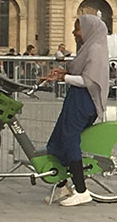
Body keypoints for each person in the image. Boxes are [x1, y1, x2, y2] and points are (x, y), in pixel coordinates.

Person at [40, 14, 109, 207]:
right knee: (58, 139)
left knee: (70, 139)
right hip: (76, 99)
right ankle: (62, 185)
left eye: (77, 29)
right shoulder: (88, 48)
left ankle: (81, 190)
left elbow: (88, 81)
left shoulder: (95, 50)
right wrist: (63, 73)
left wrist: (64, 79)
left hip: (84, 101)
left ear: (88, 30)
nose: (74, 33)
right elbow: (79, 72)